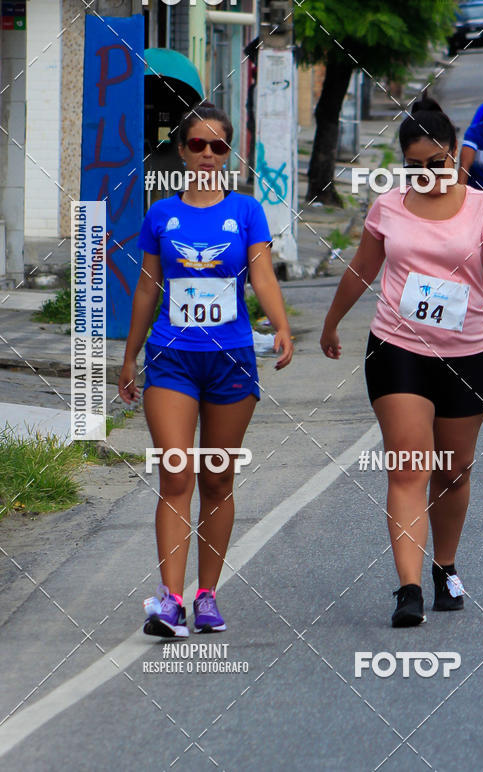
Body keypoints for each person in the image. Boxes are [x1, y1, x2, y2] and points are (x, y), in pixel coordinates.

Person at [320, 97, 483, 627]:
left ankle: (444, 567)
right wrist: (331, 322)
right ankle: (408, 589)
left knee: (453, 470)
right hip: (397, 348)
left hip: (467, 353)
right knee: (408, 468)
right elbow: (362, 268)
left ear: (454, 153)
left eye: (437, 164)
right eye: (414, 167)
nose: (427, 175)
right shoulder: (389, 207)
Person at [118, 101, 294, 638]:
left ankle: (207, 595)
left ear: (229, 152)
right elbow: (147, 288)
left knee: (217, 478)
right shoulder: (160, 215)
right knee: (176, 473)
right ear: (182, 150)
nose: (208, 154)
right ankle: (170, 600)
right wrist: (129, 355)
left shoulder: (246, 211)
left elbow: (262, 275)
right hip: (171, 358)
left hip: (230, 359)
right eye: (198, 144)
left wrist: (281, 325)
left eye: (219, 145)